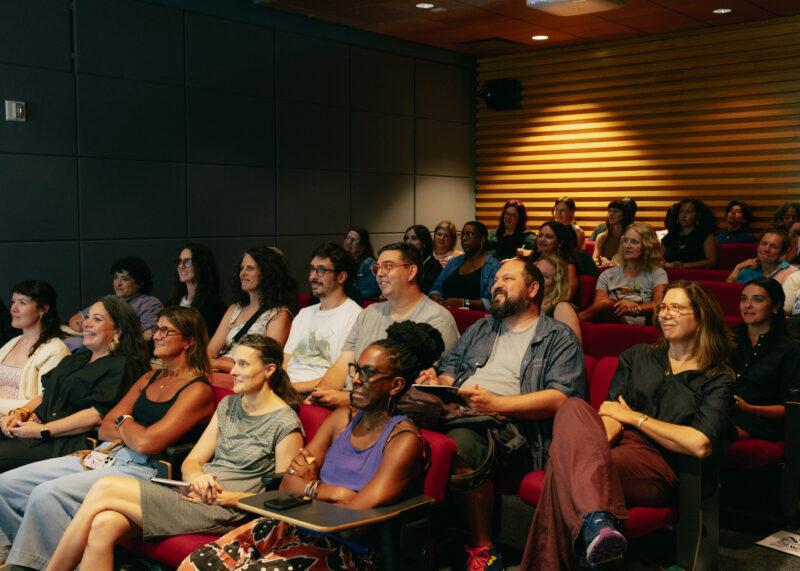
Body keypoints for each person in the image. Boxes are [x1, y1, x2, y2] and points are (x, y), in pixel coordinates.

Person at [178, 321, 443, 571]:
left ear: (395, 385)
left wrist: (310, 486)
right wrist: (331, 491)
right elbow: (288, 484)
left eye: (369, 373)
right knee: (198, 563)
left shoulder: (403, 440)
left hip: (346, 548)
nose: (357, 379)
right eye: (357, 369)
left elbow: (351, 521)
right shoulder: (341, 418)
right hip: (295, 524)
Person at [45, 333, 303, 571]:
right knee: (104, 523)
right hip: (195, 494)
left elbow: (283, 497)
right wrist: (196, 478)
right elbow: (193, 460)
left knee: (103, 487)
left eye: (243, 365)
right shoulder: (229, 404)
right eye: (234, 363)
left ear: (269, 370)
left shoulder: (285, 422)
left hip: (229, 509)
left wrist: (227, 498)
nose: (233, 371)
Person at [522, 281, 734, 569]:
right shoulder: (638, 356)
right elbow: (609, 413)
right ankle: (598, 523)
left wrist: (635, 417)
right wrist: (590, 451)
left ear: (700, 317)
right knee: (572, 407)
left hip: (661, 465)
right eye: (663, 307)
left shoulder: (716, 376)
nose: (665, 314)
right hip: (615, 446)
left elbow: (699, 443)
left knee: (563, 469)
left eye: (676, 308)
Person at [0, 306, 216, 570]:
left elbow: (149, 444)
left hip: (146, 469)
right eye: (156, 328)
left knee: (47, 495)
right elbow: (105, 428)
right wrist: (132, 427)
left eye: (165, 330)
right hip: (107, 452)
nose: (156, 335)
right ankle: (30, 559)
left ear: (189, 341)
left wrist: (125, 421)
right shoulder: (151, 376)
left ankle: (36, 566)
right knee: (5, 485)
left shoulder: (197, 389)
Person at [419, 257, 585, 569]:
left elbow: (562, 398)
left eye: (508, 279)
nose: (496, 284)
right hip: (458, 409)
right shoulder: (482, 327)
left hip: (512, 426)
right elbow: (451, 368)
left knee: (459, 442)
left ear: (533, 289)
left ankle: (483, 548)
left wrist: (495, 404)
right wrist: (438, 382)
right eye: (496, 279)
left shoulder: (558, 337)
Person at [0, 297, 149, 472]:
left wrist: (42, 430)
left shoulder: (123, 365)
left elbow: (95, 415)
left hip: (69, 443)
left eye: (97, 319)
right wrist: (19, 414)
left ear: (117, 331)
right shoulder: (80, 356)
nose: (87, 323)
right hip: (37, 431)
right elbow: (45, 394)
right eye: (88, 317)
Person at [311, 242, 459, 409]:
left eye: (388, 266)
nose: (379, 274)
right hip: (349, 401)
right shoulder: (369, 313)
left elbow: (410, 388)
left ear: (411, 272)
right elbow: (343, 364)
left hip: (389, 412)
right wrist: (318, 393)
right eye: (377, 268)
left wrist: (348, 398)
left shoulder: (437, 319)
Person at [283, 242, 362, 394]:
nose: (313, 276)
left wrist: (291, 389)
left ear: (341, 276)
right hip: (287, 391)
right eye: (311, 269)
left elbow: (341, 377)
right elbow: (286, 362)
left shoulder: (355, 316)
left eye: (321, 270)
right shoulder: (304, 314)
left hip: (319, 394)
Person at [730, 279, 800, 442]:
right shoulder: (729, 338)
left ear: (775, 307)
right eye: (743, 298)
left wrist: (749, 408)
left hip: (761, 420)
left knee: (712, 429)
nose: (747, 305)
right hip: (721, 410)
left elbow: (791, 408)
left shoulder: (789, 350)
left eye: (757, 299)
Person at [207, 246, 296, 372]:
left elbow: (265, 363)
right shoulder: (234, 308)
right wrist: (215, 364)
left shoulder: (279, 314)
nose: (243, 273)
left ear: (266, 274)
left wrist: (219, 364)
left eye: (250, 268)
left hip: (246, 379)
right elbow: (209, 353)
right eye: (242, 268)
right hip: (217, 372)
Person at [0, 281, 69, 415]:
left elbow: (43, 402)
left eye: (22, 303)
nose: (14, 308)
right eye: (13, 302)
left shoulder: (55, 350)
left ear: (42, 310)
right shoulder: (13, 342)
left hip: (19, 426)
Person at [580, 223, 668, 325]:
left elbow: (659, 304)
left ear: (647, 246)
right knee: (607, 304)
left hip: (640, 325)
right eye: (625, 241)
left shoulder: (658, 273)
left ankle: (578, 318)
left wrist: (635, 307)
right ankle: (578, 318)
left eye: (634, 242)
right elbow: (600, 306)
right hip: (612, 321)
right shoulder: (607, 274)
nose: (628, 245)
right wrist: (619, 306)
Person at [67, 256, 163, 343]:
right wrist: (82, 326)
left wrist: (106, 333)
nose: (118, 284)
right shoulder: (109, 299)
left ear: (140, 283)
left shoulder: (150, 303)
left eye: (125, 279)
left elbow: (148, 335)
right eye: (116, 278)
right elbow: (75, 319)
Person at [429, 221, 500, 310]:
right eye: (462, 235)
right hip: (444, 313)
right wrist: (436, 297)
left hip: (474, 319)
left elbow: (490, 302)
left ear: (482, 238)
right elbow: (436, 288)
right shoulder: (453, 262)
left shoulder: (493, 266)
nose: (464, 238)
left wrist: (463, 302)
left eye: (469, 234)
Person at [168, 243, 226, 335]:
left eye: (187, 261)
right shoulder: (172, 303)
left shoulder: (214, 306)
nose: (181, 266)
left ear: (201, 265)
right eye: (179, 261)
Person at [535, 254, 581, 342]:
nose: (537, 279)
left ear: (557, 283)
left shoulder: (562, 308)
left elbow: (572, 348)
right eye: (536, 273)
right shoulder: (529, 304)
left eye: (545, 276)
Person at [726, 228, 796, 284]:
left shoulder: (792, 274)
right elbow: (729, 293)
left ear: (782, 252)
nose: (766, 249)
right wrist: (737, 268)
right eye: (763, 244)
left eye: (773, 247)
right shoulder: (748, 270)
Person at [661, 199, 718, 269]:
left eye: (689, 212)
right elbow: (656, 260)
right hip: (668, 276)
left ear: (698, 215)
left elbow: (711, 262)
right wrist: (667, 265)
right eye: (681, 211)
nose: (684, 215)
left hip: (695, 276)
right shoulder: (670, 236)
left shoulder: (706, 235)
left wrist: (685, 265)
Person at [531, 221, 580, 298]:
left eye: (549, 237)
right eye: (540, 235)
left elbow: (566, 295)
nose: (542, 239)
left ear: (560, 242)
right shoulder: (534, 263)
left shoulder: (569, 267)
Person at [593, 200, 634, 268]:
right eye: (609, 211)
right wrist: (601, 261)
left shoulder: (631, 237)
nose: (610, 214)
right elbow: (595, 259)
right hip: (606, 273)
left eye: (615, 211)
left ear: (624, 215)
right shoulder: (601, 237)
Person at [343, 225, 380, 301]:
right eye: (347, 238)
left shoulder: (370, 264)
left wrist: (347, 297)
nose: (348, 242)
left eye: (353, 240)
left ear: (362, 247)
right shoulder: (340, 262)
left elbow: (372, 290)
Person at [404, 224, 443, 294]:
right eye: (406, 238)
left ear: (424, 242)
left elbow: (424, 292)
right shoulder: (405, 264)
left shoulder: (434, 266)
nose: (408, 242)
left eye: (414, 238)